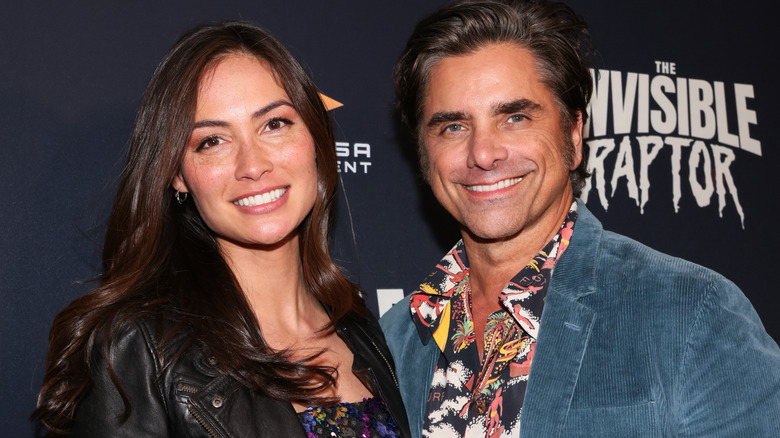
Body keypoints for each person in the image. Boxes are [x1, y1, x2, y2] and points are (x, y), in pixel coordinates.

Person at [380, 0, 780, 436]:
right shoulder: (398, 336)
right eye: (453, 126)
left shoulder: (692, 313)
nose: (483, 153)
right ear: (424, 152)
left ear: (573, 133)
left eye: (515, 117)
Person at [32, 21, 409, 438]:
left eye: (275, 124)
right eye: (212, 141)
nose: (253, 166)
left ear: (316, 141)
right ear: (177, 174)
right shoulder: (134, 350)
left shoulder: (359, 328)